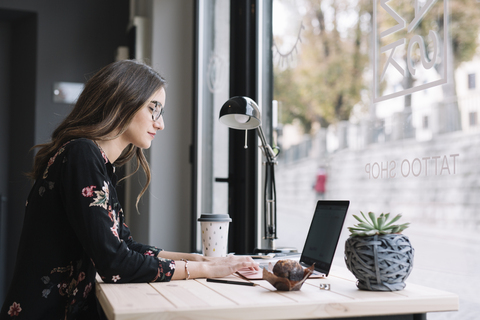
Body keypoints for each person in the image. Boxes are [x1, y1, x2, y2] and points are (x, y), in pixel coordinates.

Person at [0, 60, 259, 320]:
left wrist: (201, 261)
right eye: (153, 108)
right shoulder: (81, 154)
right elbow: (115, 263)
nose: (161, 124)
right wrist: (204, 270)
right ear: (123, 100)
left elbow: (124, 245)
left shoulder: (95, 161)